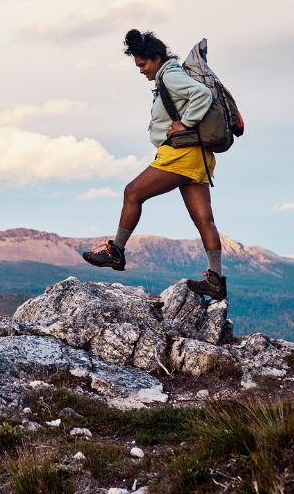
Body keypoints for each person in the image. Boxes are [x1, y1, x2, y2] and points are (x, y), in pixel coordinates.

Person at [81, 29, 227, 299]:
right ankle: (216, 280)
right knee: (204, 220)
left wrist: (185, 123)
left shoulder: (170, 75)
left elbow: (202, 95)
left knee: (132, 193)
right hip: (198, 156)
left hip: (180, 154)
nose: (141, 70)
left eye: (143, 64)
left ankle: (116, 253)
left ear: (156, 58)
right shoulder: (167, 76)